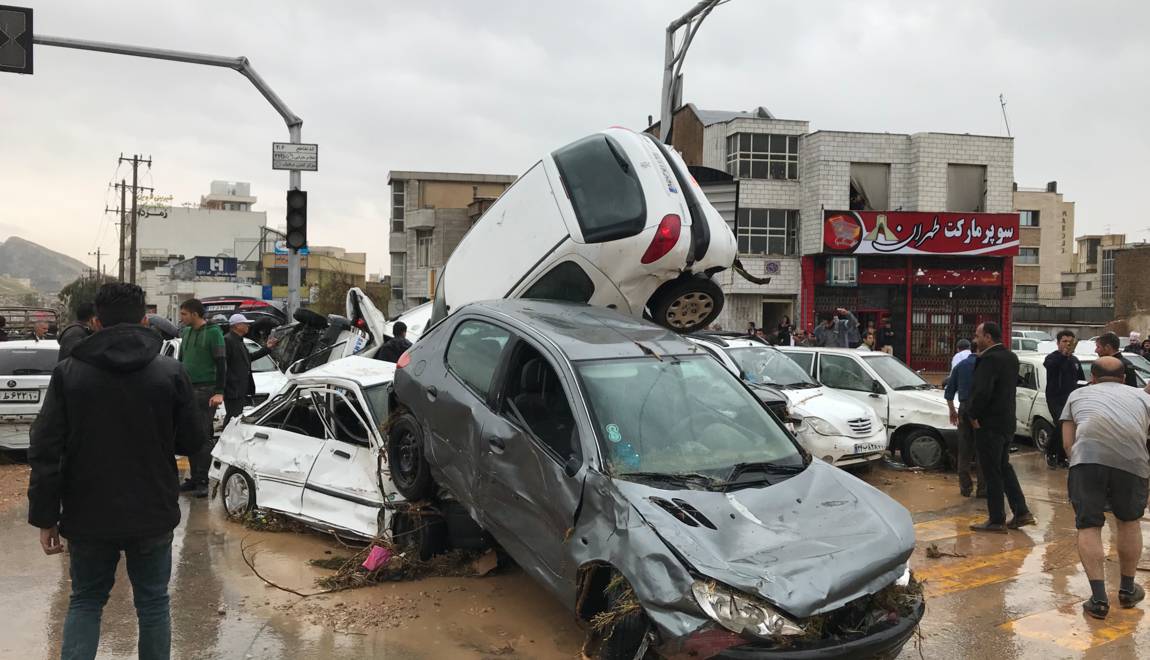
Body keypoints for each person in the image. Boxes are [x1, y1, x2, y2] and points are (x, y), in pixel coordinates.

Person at [27, 282, 202, 660]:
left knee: (86, 600)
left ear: (95, 322)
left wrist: (45, 517)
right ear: (144, 319)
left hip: (87, 512)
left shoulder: (69, 374)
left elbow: (45, 450)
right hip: (153, 509)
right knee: (154, 604)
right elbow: (194, 440)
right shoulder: (170, 372)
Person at [1061, 356, 1150, 619]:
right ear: (1124, 378)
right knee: (1129, 521)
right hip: (1132, 463)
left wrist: (1077, 463)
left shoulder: (1077, 395)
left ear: (1093, 378)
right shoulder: (1142, 398)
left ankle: (1098, 599)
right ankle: (1126, 589)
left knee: (1089, 525)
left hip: (1087, 460)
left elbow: (1068, 442)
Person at [967, 321, 1035, 533]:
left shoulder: (989, 359)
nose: (975, 340)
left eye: (977, 336)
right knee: (1003, 467)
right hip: (1006, 422)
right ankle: (1021, 511)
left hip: (989, 424)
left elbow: (982, 391)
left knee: (992, 471)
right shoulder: (1010, 357)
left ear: (988, 337)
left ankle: (996, 519)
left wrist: (972, 414)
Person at [177, 299, 226, 498]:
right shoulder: (186, 333)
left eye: (184, 314)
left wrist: (219, 391)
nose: (181, 318)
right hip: (187, 389)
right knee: (189, 434)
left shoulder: (214, 333)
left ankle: (203, 480)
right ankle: (194, 478)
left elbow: (222, 363)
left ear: (195, 314)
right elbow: (180, 362)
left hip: (206, 390)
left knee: (203, 436)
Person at [222, 313, 278, 425]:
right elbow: (222, 365)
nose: (248, 326)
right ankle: (227, 438)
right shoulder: (228, 340)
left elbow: (248, 358)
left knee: (236, 416)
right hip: (233, 388)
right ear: (237, 325)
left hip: (240, 388)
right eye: (245, 324)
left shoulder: (239, 340)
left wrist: (267, 348)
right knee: (233, 417)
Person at [1043, 330, 1084, 469]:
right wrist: (1063, 355)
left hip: (1071, 398)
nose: (1067, 344)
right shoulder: (1052, 358)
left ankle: (1061, 456)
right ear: (1058, 343)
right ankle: (1050, 450)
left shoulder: (1075, 360)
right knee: (1061, 423)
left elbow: (1080, 379)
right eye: (1064, 341)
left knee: (1068, 428)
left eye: (1070, 342)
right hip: (1055, 398)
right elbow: (1050, 366)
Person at [945, 350, 983, 497]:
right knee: (982, 449)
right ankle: (983, 488)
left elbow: (949, 392)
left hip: (963, 408)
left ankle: (965, 488)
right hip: (980, 409)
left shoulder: (960, 366)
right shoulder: (985, 365)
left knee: (964, 449)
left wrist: (952, 411)